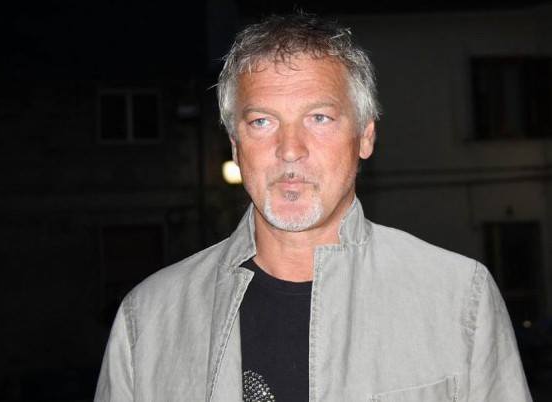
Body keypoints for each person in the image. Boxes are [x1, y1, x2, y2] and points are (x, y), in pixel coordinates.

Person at [94, 13, 532, 402]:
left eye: (319, 118)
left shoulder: (458, 298)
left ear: (365, 136)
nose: (290, 149)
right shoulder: (148, 320)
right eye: (262, 121)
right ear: (235, 146)